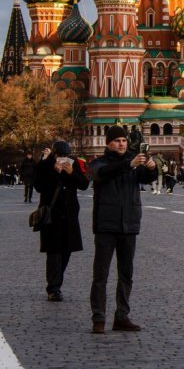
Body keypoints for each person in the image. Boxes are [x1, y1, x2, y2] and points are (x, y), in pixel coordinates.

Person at [89, 125, 157, 334]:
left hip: (129, 224)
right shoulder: (99, 162)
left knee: (126, 274)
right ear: (108, 143)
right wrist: (129, 163)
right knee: (101, 275)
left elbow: (146, 178)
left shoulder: (133, 162)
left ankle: (122, 316)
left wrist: (152, 168)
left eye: (124, 140)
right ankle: (99, 318)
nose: (121, 144)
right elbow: (102, 173)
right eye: (117, 141)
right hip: (106, 225)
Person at [34, 140, 89, 301]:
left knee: (66, 251)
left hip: (70, 215)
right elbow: (38, 186)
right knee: (53, 252)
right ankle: (53, 287)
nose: (62, 158)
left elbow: (84, 184)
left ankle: (57, 281)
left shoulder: (74, 164)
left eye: (65, 155)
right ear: (54, 154)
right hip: (52, 215)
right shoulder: (45, 165)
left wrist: (72, 172)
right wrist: (53, 171)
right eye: (59, 155)